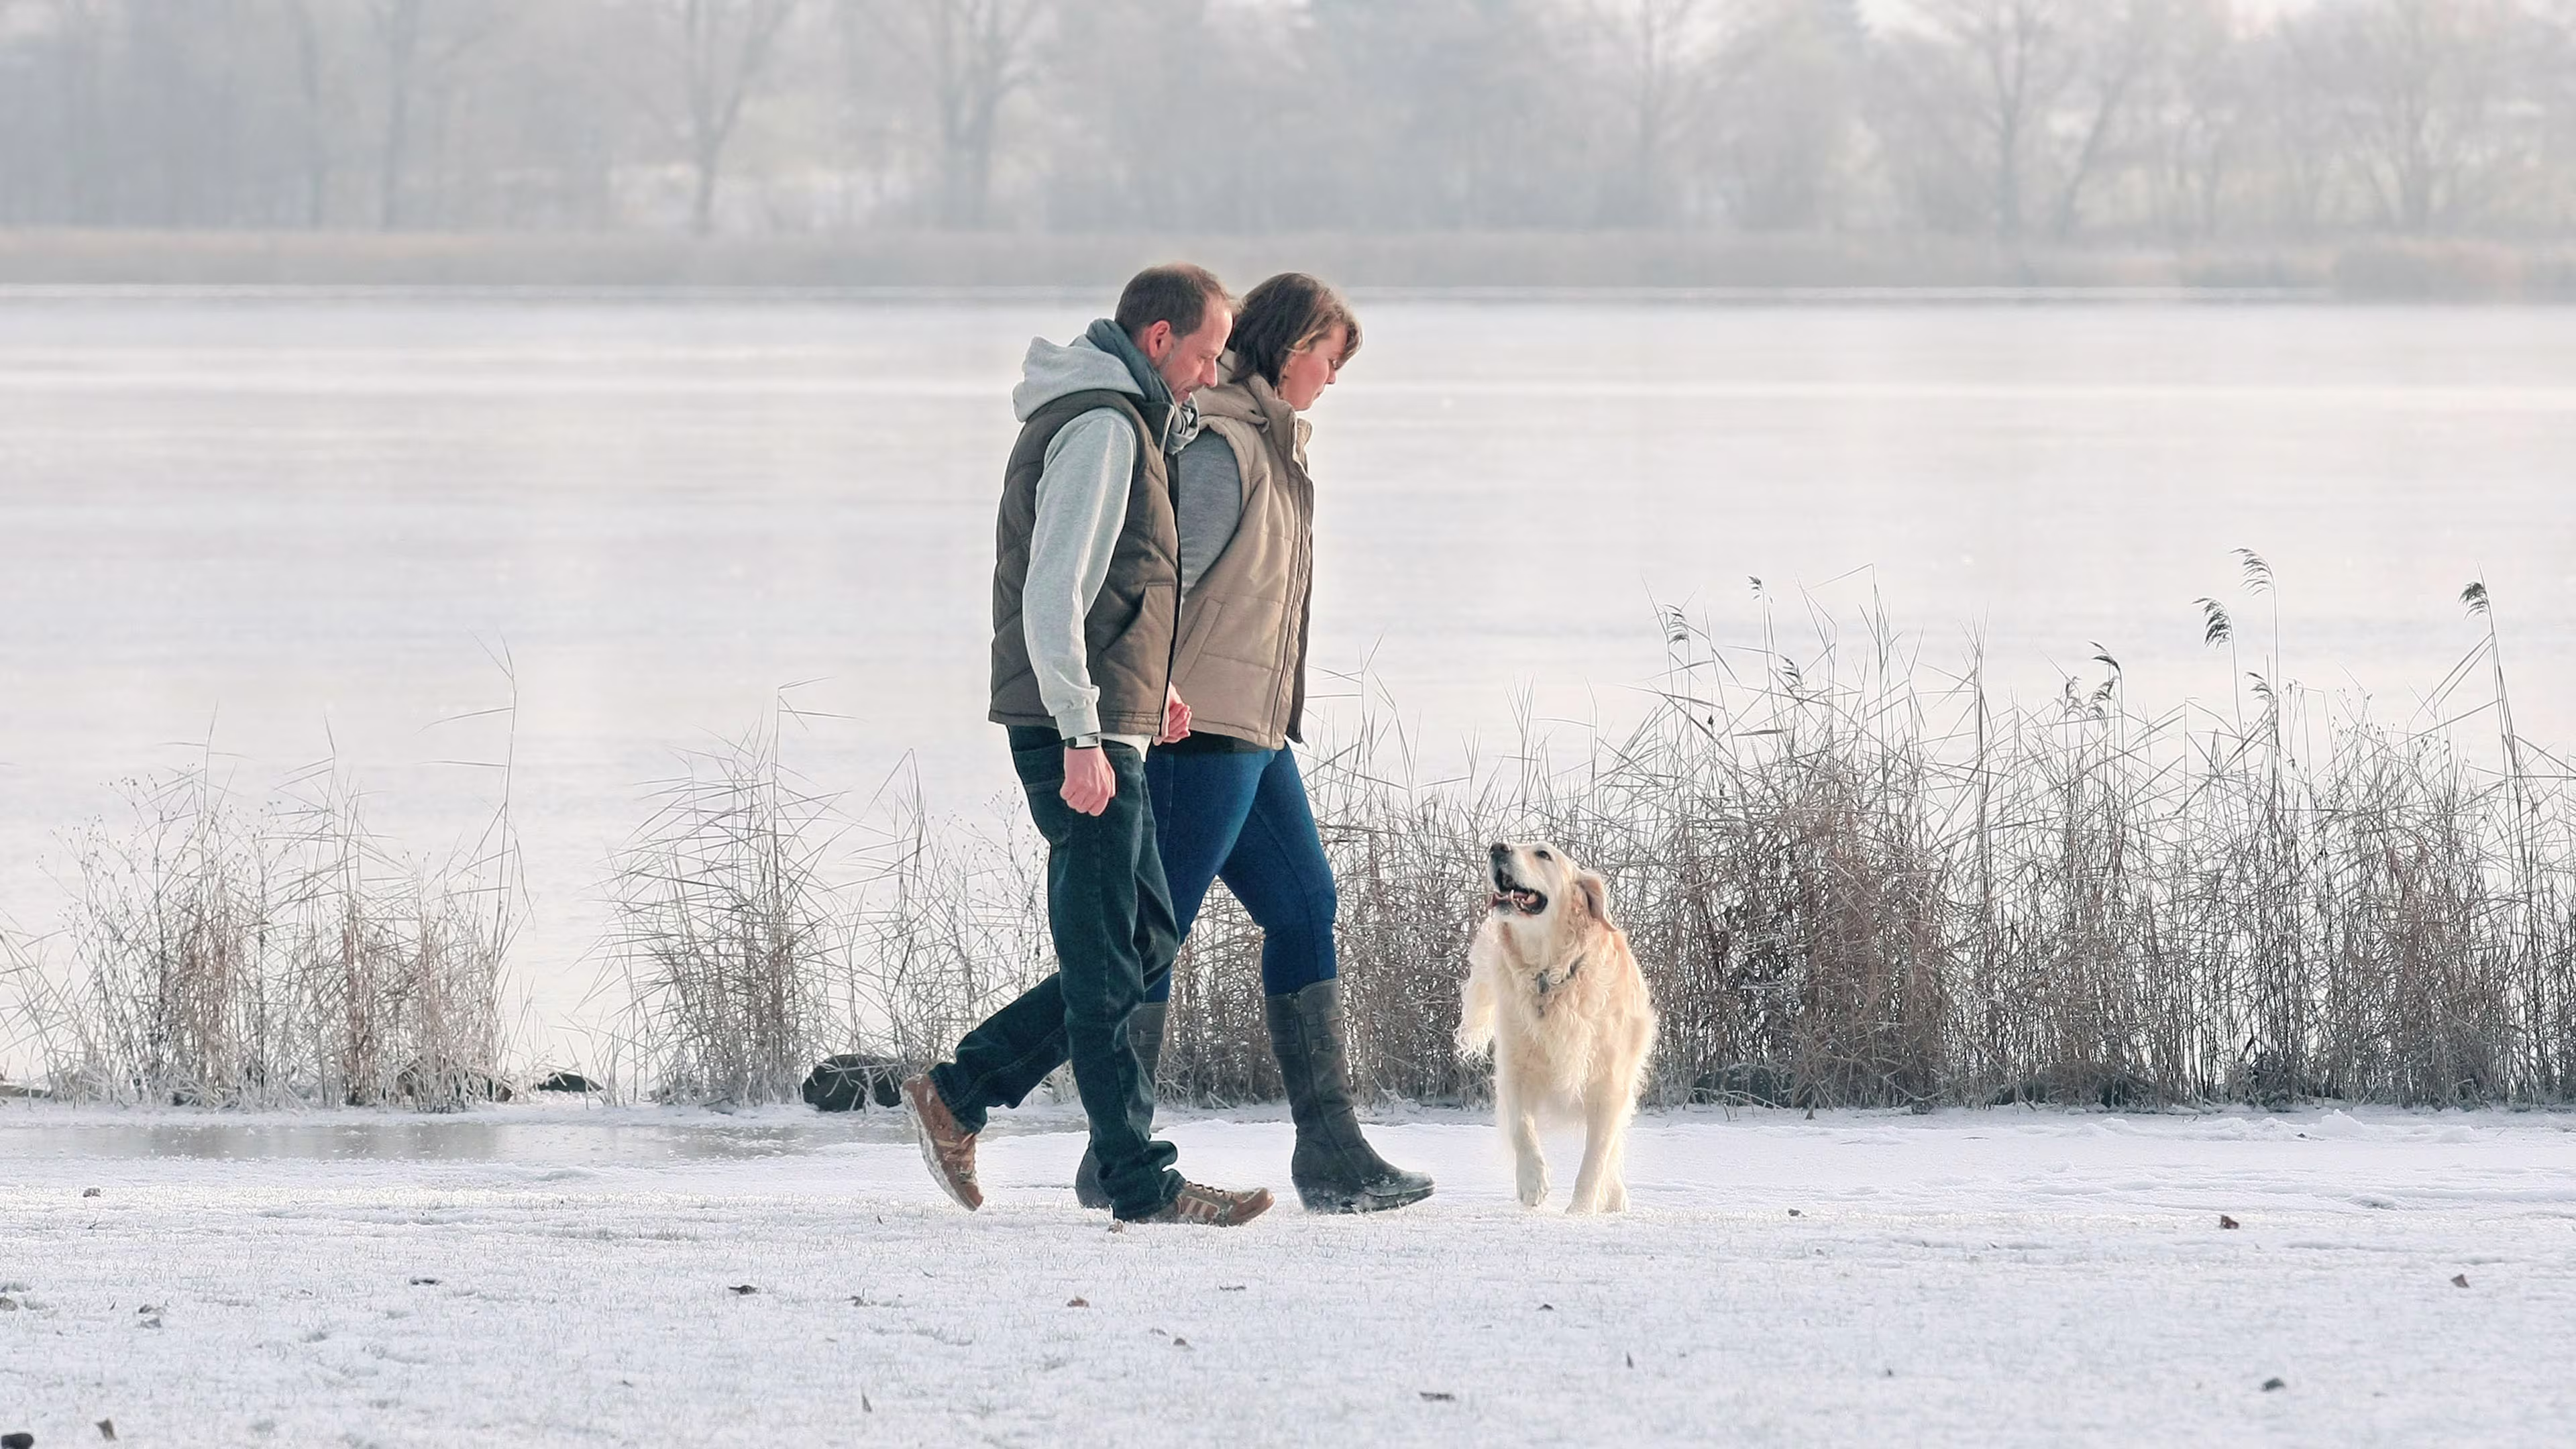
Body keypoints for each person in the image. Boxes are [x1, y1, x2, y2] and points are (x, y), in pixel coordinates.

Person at [900, 264, 1274, 1227]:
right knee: (1114, 959)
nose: (1208, 372)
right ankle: (1139, 1181)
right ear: (1157, 340)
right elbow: (1051, 595)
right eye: (1201, 354)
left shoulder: (1125, 420)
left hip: (1111, 722)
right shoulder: (1106, 427)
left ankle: (962, 1090)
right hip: (1077, 737)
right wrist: (1081, 734)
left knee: (1142, 940)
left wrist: (1154, 692)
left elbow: (1117, 591)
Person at [1071, 273, 1434, 1214]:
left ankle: (1330, 1150)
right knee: (1156, 928)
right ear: (1292, 342)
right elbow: (1159, 579)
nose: (1334, 378)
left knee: (1307, 901)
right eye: (1330, 357)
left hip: (1256, 726)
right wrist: (1156, 693)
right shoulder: (1222, 447)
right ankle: (1104, 1146)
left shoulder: (1270, 444)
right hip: (1200, 724)